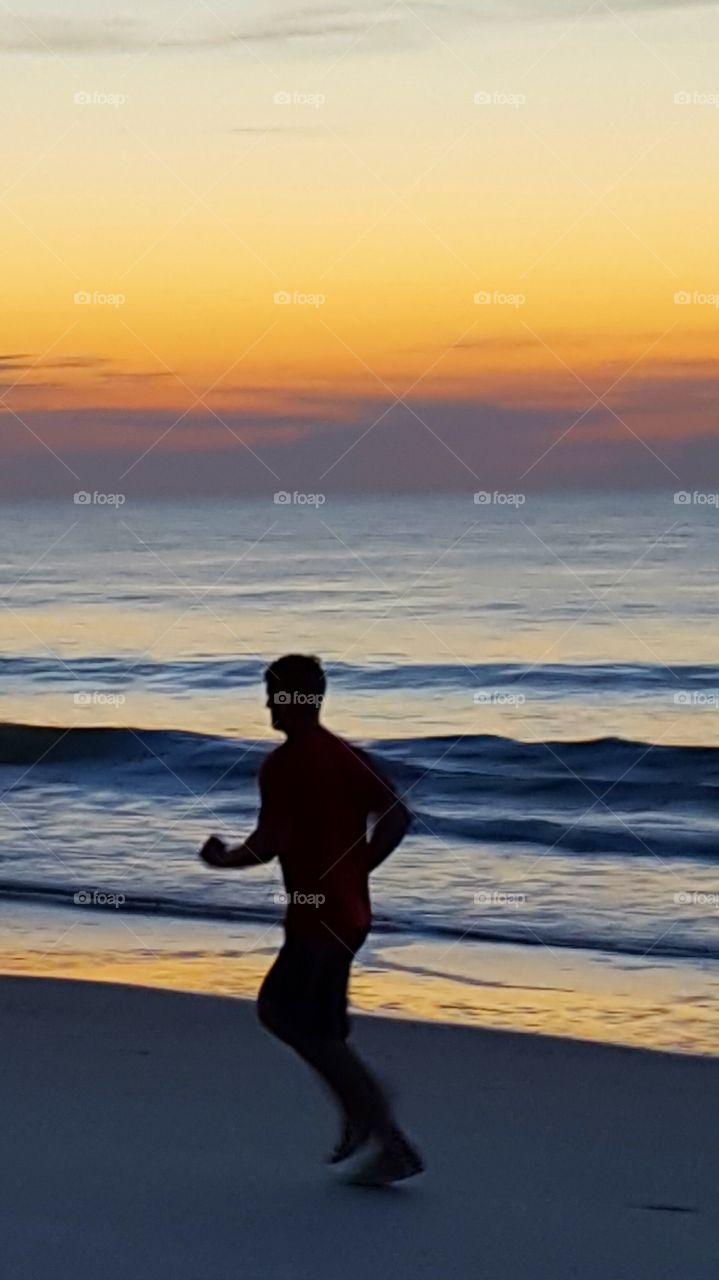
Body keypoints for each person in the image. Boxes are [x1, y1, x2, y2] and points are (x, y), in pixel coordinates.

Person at [199, 653, 423, 1186]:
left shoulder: (285, 765)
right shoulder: (347, 757)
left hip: (317, 920)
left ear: (293, 698)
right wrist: (360, 867)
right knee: (320, 1028)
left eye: (274, 693)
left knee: (281, 1012)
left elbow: (269, 843)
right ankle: (384, 1135)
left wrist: (221, 858)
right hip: (349, 914)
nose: (269, 704)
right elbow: (397, 816)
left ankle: (369, 1106)